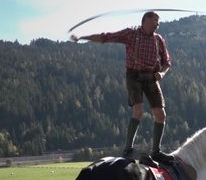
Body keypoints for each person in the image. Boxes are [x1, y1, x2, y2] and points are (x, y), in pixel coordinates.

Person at [71, 11, 173, 162]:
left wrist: (162, 74)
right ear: (146, 20)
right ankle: (128, 149)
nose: (158, 24)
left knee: (161, 115)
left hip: (151, 77)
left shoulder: (159, 40)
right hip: (134, 77)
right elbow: (106, 37)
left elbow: (166, 63)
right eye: (155, 20)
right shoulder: (131, 34)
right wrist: (82, 37)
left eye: (158, 21)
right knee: (138, 112)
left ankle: (156, 151)